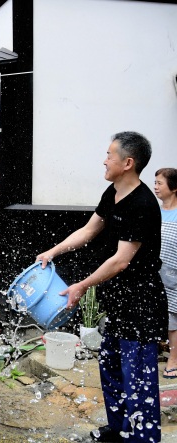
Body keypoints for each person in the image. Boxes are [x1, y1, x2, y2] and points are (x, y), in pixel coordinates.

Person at [35, 132, 166, 443]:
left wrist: (81, 285)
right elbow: (89, 229)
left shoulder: (143, 204)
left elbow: (121, 260)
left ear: (128, 163)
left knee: (139, 379)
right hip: (119, 301)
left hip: (141, 303)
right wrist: (52, 251)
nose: (104, 160)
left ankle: (144, 438)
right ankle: (119, 429)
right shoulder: (114, 192)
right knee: (110, 366)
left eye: (109, 154)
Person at [155, 168, 177, 379]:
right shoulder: (154, 210)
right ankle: (153, 352)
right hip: (154, 272)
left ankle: (173, 359)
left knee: (173, 320)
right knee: (153, 314)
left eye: (160, 183)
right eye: (155, 182)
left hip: (174, 276)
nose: (155, 187)